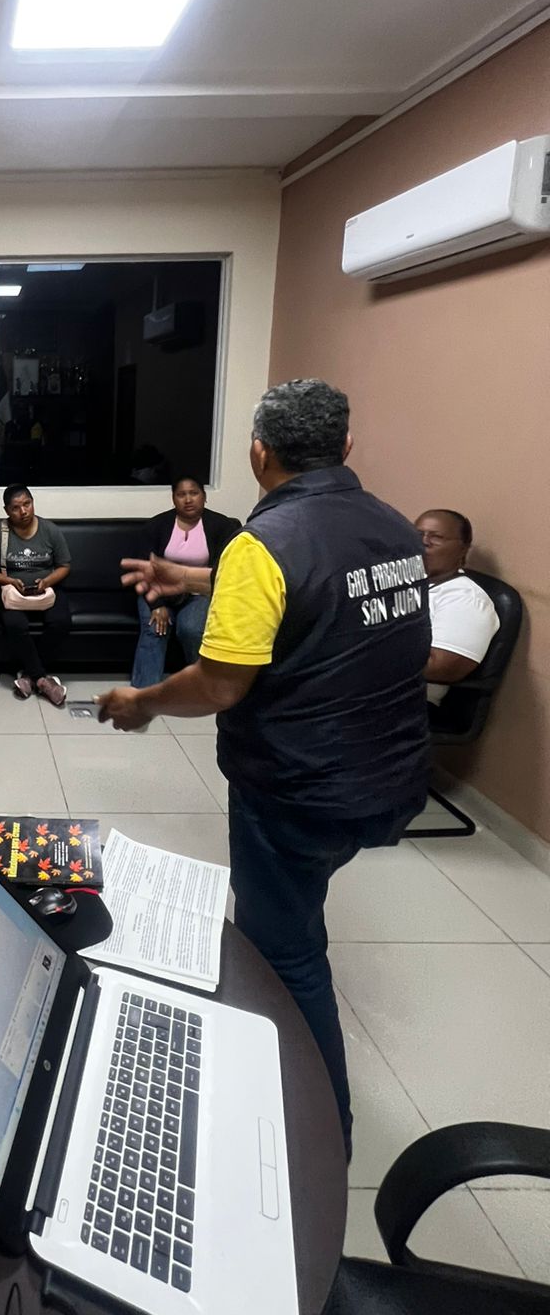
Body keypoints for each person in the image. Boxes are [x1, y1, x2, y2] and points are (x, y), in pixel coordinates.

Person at [97, 380, 431, 1159]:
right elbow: (316, 590)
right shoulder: (396, 528)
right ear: (346, 447)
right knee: (301, 915)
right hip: (390, 776)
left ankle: (320, 1139)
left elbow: (220, 684)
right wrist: (195, 579)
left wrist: (143, 701)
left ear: (258, 452)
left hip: (299, 789)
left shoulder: (263, 542)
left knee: (287, 957)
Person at [131, 477, 241, 687]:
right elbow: (143, 568)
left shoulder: (222, 526)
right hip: (158, 591)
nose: (188, 499)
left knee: (191, 628)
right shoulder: (156, 525)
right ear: (174, 499)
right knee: (155, 629)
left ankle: (201, 685)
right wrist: (157, 605)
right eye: (181, 494)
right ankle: (144, 693)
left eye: (194, 493)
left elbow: (228, 568)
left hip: (199, 593)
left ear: (204, 496)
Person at [0, 485, 72, 705]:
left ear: (32, 502)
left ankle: (29, 676)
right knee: (14, 624)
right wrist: (9, 581)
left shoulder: (49, 530)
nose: (23, 511)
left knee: (61, 622)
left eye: (27, 504)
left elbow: (65, 566)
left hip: (46, 590)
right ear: (6, 510)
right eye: (16, 508)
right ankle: (43, 681)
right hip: (14, 593)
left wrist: (48, 581)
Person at [415, 509, 500, 705]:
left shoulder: (465, 599)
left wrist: (365, 655)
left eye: (436, 537)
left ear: (463, 549)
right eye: (418, 535)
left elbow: (442, 668)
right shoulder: (403, 584)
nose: (424, 542)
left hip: (407, 704)